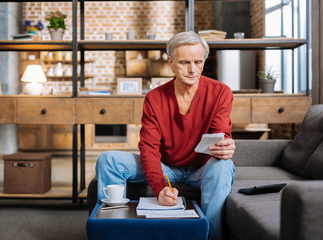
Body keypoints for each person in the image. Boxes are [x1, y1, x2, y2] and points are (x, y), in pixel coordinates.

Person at [96, 31, 236, 240]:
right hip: (167, 167)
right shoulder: (154, 98)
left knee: (223, 166)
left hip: (203, 169)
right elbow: (149, 147)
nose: (192, 69)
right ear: (171, 62)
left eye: (198, 62)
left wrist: (226, 147)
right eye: (184, 62)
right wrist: (160, 187)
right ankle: (111, 232)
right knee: (108, 160)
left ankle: (210, 236)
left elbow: (219, 137)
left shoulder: (221, 92)